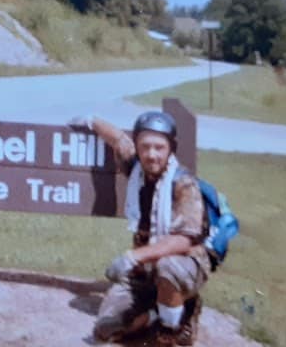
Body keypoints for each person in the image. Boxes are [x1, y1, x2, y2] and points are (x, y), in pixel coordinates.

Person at [68, 111, 209, 346]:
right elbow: (117, 139)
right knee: (107, 328)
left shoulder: (183, 183)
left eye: (159, 147)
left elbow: (184, 240)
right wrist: (90, 121)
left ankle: (171, 329)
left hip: (183, 264)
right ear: (138, 147)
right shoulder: (135, 166)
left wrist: (133, 257)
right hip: (144, 273)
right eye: (145, 147)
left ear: (170, 148)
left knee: (168, 266)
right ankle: (165, 311)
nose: (151, 154)